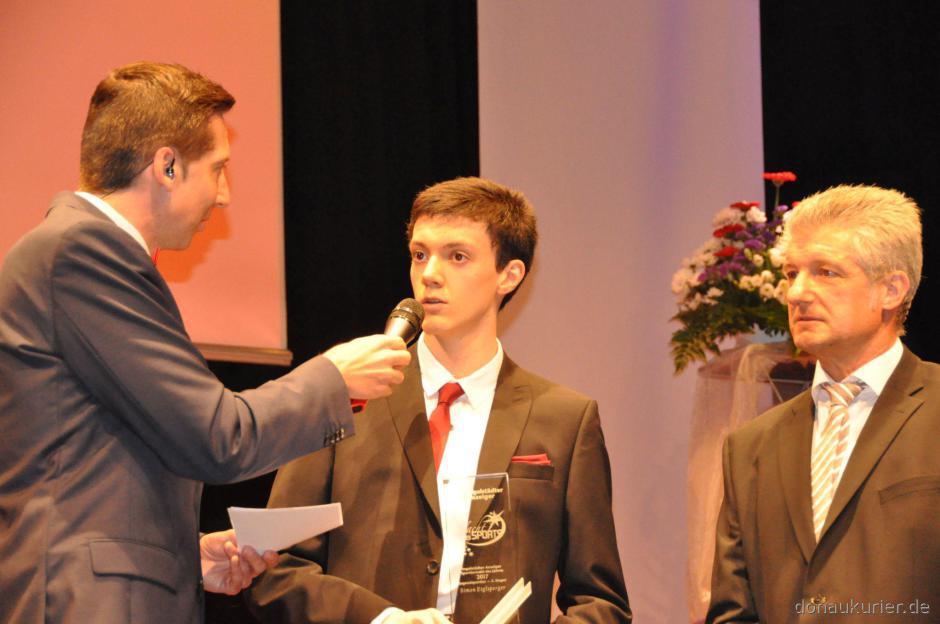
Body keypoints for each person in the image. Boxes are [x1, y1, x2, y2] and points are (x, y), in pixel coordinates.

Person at [0, 62, 409, 623]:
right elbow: (217, 438)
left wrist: (182, 558)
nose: (225, 195)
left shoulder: (78, 252)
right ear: (167, 166)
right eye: (218, 169)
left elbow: (94, 460)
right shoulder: (82, 252)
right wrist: (333, 377)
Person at [246, 176, 631, 623]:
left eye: (457, 256)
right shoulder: (344, 395)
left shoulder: (565, 420)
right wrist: (382, 620)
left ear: (509, 275)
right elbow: (275, 568)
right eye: (420, 255)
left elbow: (601, 604)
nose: (429, 274)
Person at [707, 185, 940, 623]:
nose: (796, 293)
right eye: (792, 273)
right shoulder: (750, 446)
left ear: (891, 290)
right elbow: (733, 612)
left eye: (826, 272)